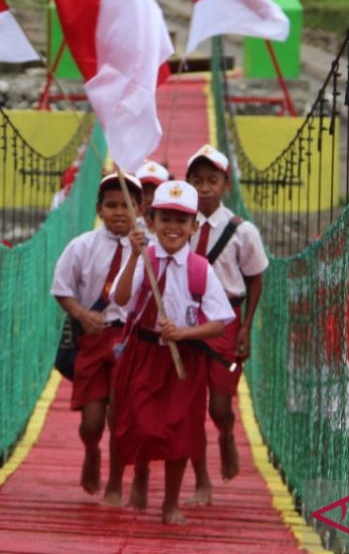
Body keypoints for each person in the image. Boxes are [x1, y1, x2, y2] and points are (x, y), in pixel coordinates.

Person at [110, 180, 235, 524]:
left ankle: (169, 502)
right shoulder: (145, 259)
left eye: (182, 221)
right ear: (151, 223)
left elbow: (220, 323)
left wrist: (184, 332)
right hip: (145, 354)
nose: (173, 228)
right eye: (165, 219)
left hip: (183, 360)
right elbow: (120, 300)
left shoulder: (200, 270)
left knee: (179, 430)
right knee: (140, 423)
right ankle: (141, 476)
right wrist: (134, 256)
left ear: (194, 227)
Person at [184, 144, 270, 504]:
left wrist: (247, 326)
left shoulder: (242, 230)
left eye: (212, 181)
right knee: (189, 406)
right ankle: (202, 479)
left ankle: (226, 432)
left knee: (219, 405)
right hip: (188, 321)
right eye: (197, 181)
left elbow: (255, 277)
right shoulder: (177, 225)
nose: (205, 188)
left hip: (226, 323)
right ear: (187, 184)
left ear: (226, 185)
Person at [50, 172, 143, 503]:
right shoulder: (82, 246)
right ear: (99, 209)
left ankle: (116, 481)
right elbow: (61, 289)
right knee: (92, 421)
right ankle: (91, 450)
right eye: (111, 205)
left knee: (120, 415)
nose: (119, 212)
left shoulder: (149, 250)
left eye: (128, 206)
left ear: (140, 209)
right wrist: (81, 314)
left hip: (129, 340)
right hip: (93, 336)